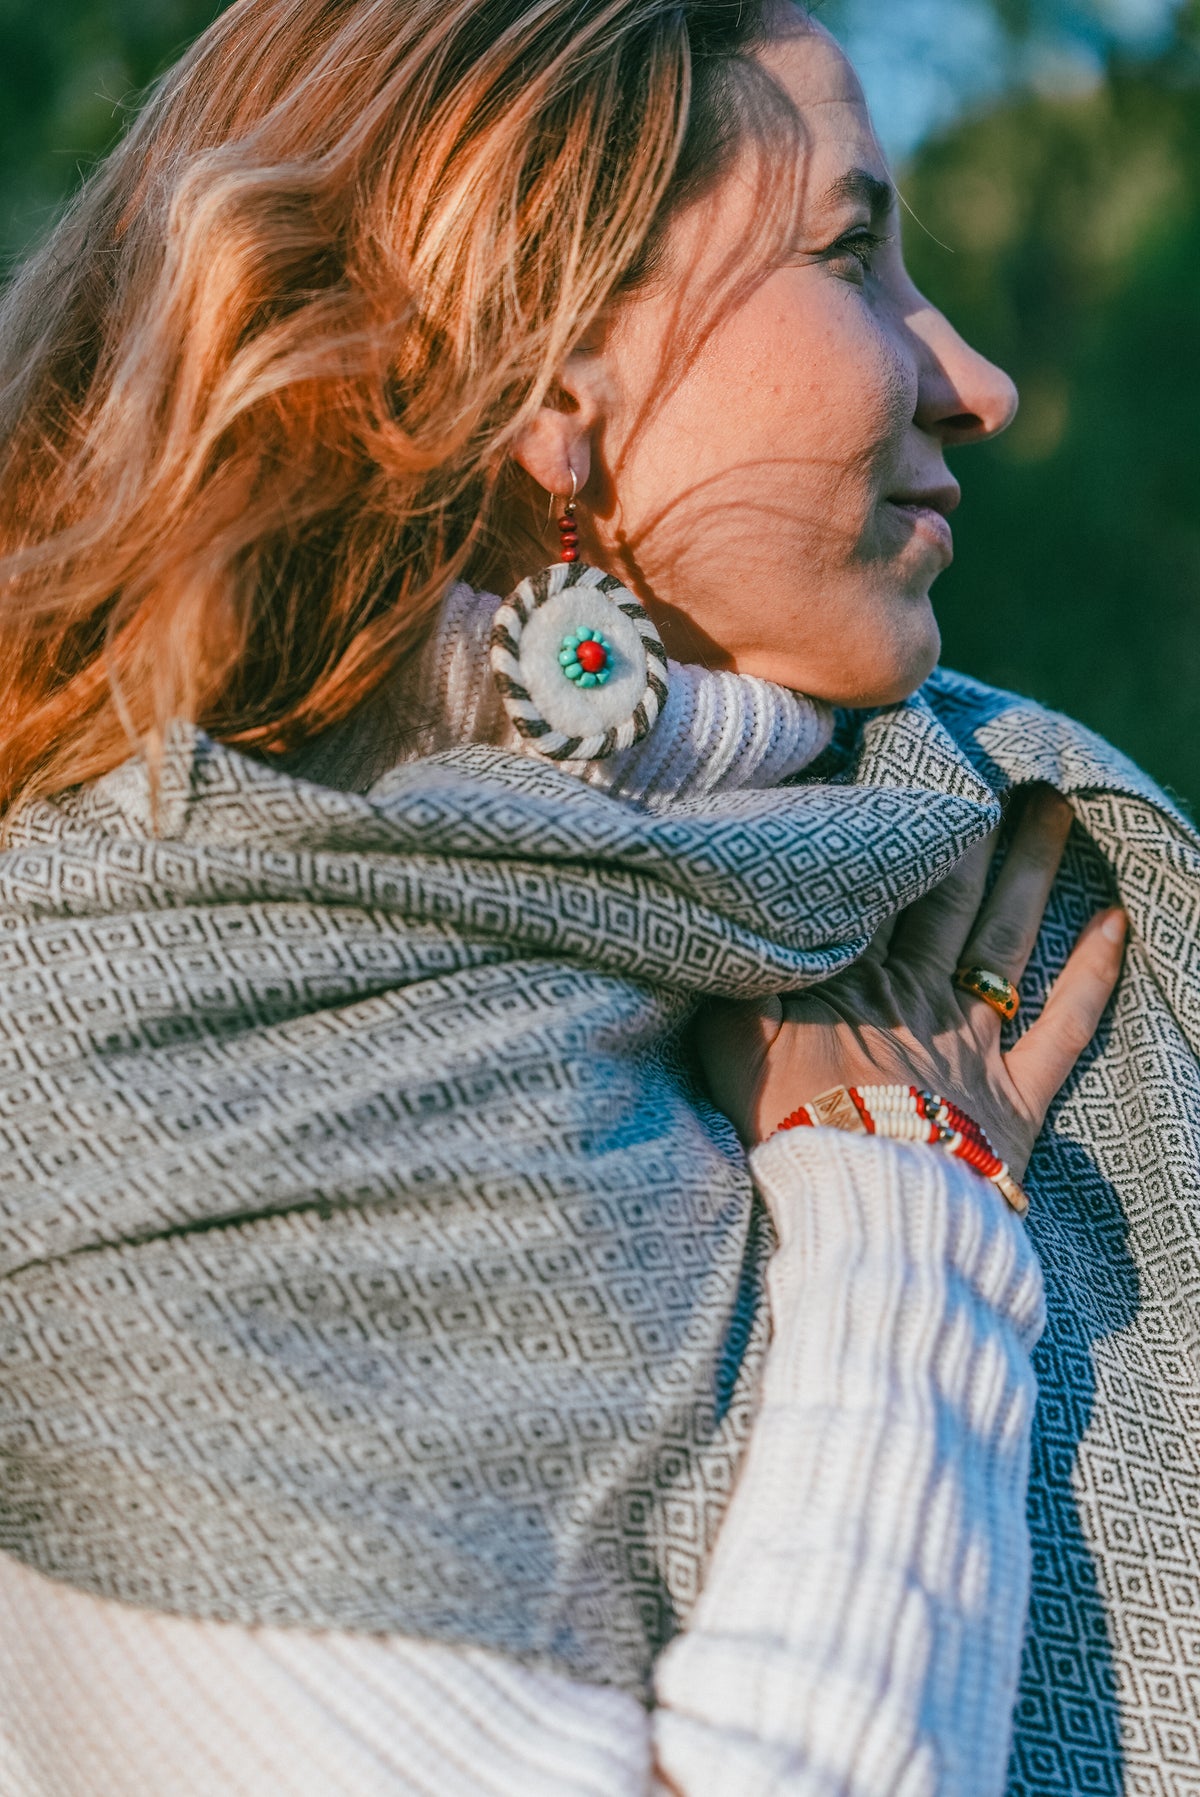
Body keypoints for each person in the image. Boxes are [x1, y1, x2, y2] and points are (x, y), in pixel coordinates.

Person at [0, 2, 1195, 1792]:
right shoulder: (115, 1043)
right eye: (851, 253)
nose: (974, 378)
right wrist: (908, 1193)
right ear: (552, 374)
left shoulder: (973, 832)